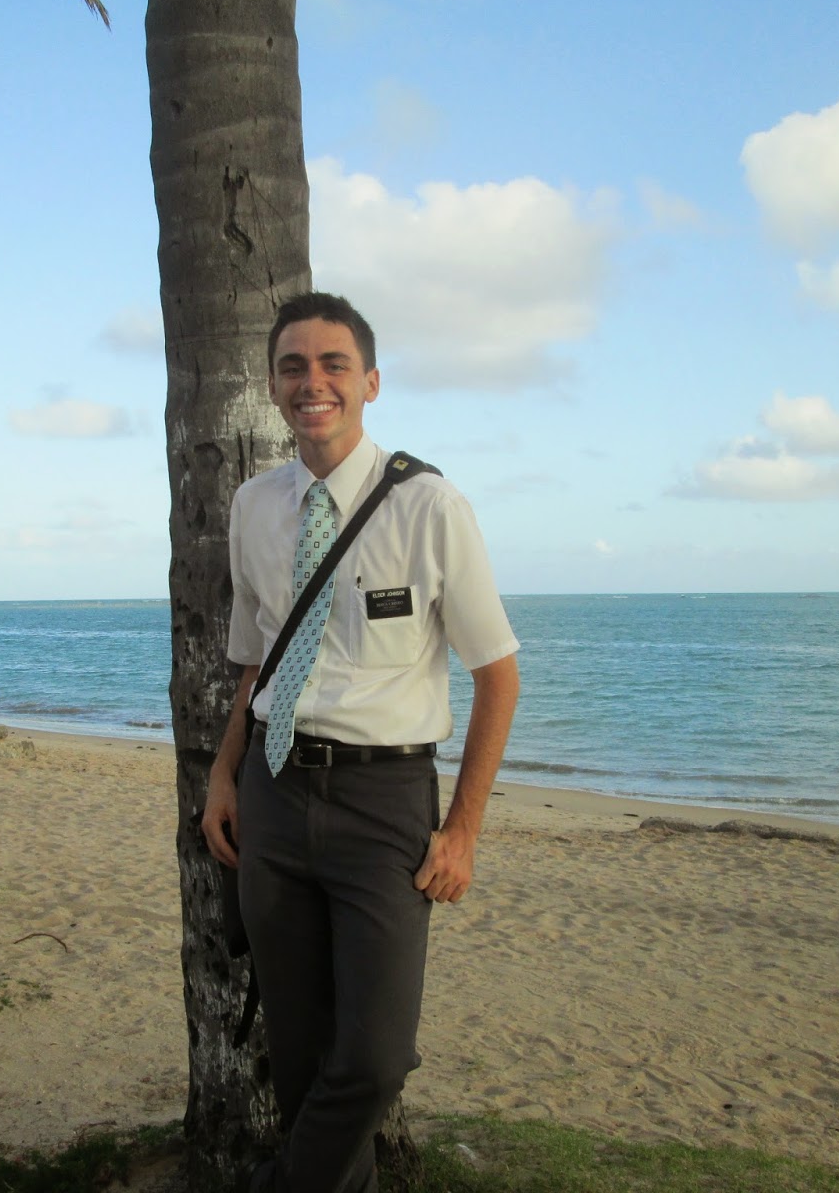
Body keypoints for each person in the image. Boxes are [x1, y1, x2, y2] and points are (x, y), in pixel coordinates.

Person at [202, 292, 521, 1193]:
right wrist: (224, 776)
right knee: (302, 1055)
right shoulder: (255, 506)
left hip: (384, 807)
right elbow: (256, 661)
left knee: (376, 1057)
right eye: (293, 367)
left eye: (333, 364)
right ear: (274, 386)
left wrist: (463, 832)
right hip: (272, 792)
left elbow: (498, 675)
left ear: (370, 382)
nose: (314, 382)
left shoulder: (430, 506)